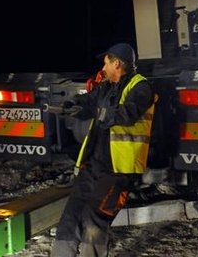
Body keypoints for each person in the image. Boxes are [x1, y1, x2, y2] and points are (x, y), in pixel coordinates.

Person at [51, 43, 155, 257]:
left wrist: (99, 113)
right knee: (71, 215)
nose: (103, 67)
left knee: (94, 218)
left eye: (106, 63)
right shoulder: (106, 87)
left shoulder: (141, 87)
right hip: (93, 164)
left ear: (117, 64)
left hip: (118, 170)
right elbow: (88, 101)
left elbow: (127, 114)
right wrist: (71, 105)